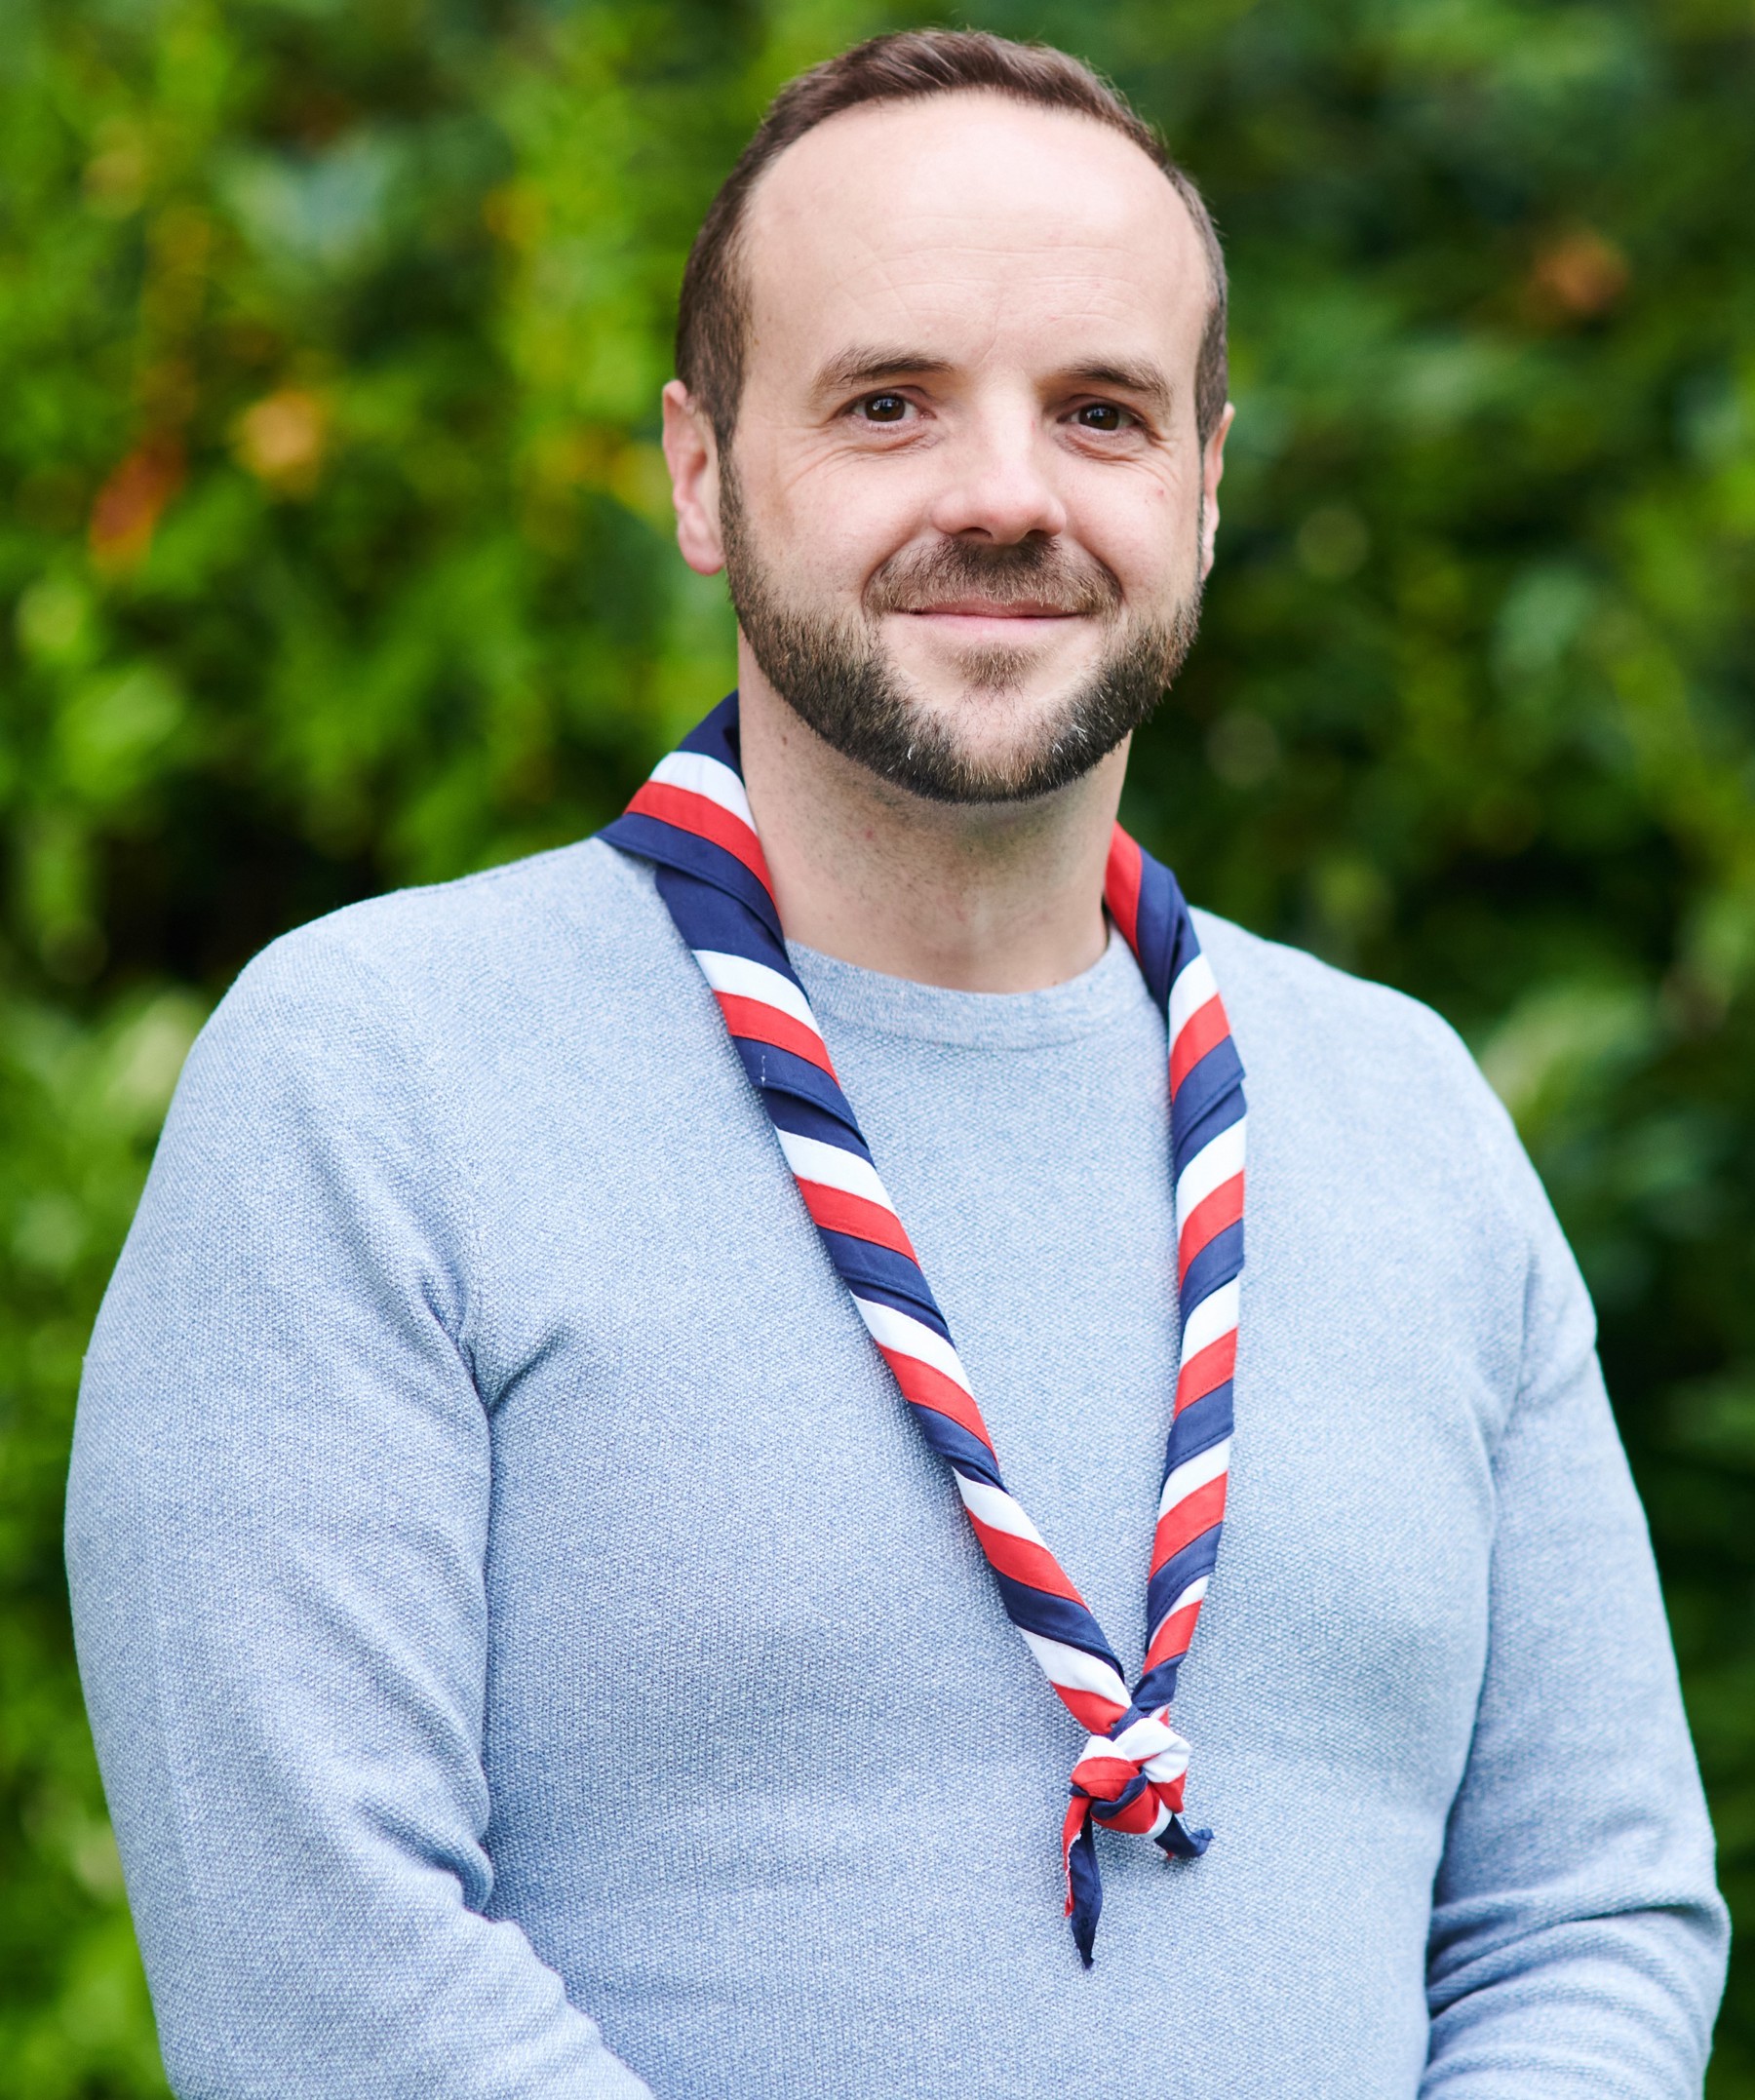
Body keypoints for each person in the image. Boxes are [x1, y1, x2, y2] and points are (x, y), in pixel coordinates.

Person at [66, 29, 1726, 2100]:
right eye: (888, 402)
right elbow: (324, 1974)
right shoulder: (368, 1083)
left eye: (1103, 412)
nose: (1006, 492)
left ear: (1209, 489)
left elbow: (1591, 1913)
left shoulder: (1408, 1118)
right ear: (699, 471)